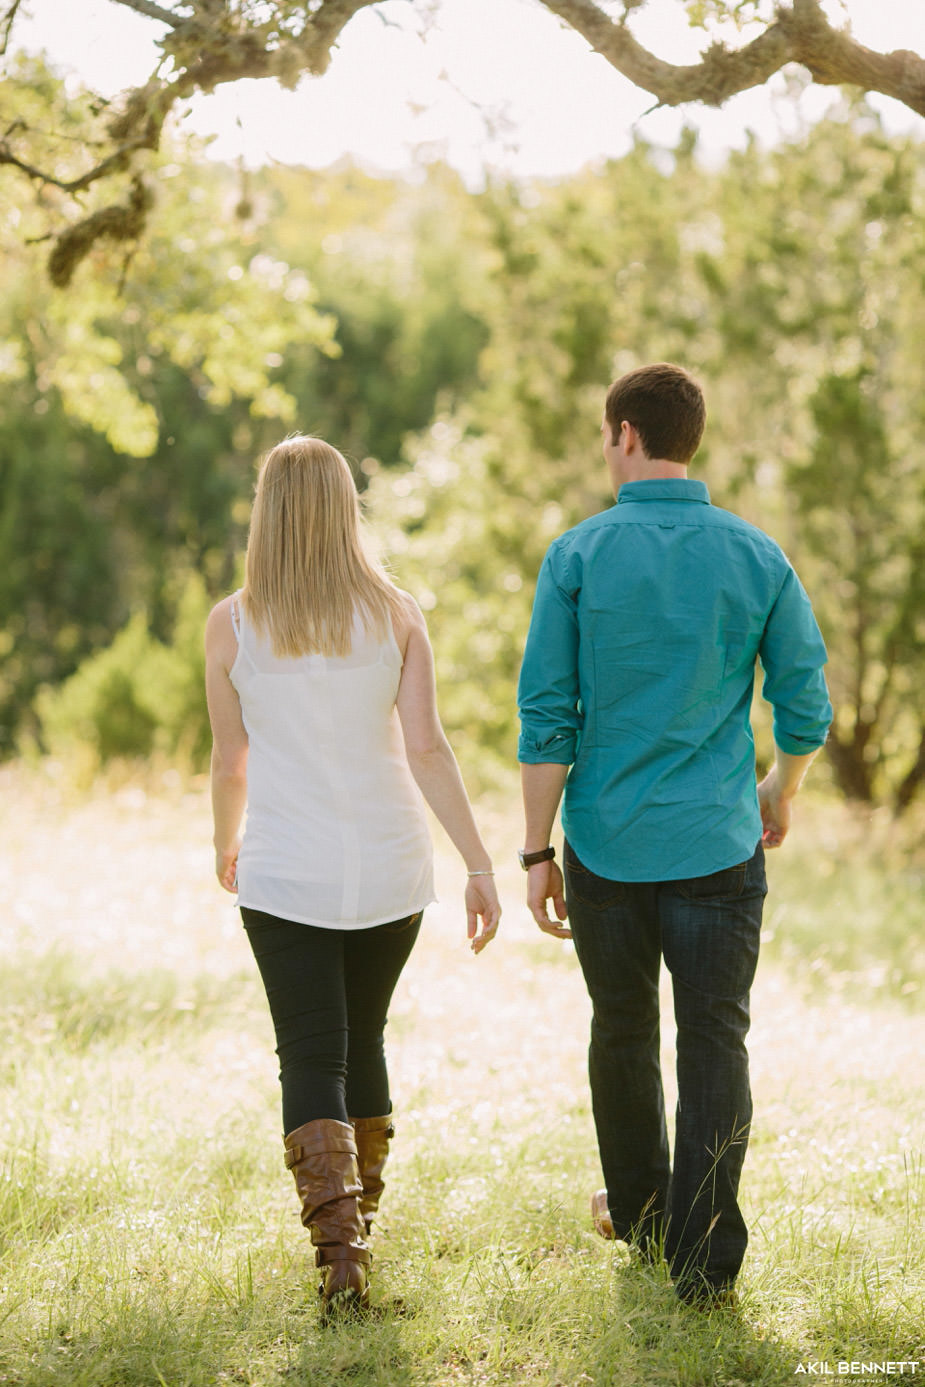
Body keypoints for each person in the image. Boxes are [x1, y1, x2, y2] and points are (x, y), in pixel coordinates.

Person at [516, 363, 831, 1307]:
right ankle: (704, 1262)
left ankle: (646, 1219)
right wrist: (781, 784)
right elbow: (805, 701)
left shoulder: (575, 556)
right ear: (688, 436)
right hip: (718, 846)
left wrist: (536, 851)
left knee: (620, 1030)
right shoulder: (756, 554)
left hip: (605, 848)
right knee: (714, 1043)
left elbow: (547, 717)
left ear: (622, 433)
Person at [205, 435, 500, 1316]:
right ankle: (356, 1235)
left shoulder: (233, 623)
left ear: (267, 512)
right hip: (388, 866)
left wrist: (225, 842)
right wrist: (478, 861)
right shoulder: (397, 612)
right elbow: (428, 748)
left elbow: (230, 760)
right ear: (344, 508)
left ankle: (341, 1260)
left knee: (310, 1048)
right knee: (359, 1038)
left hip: (284, 870)